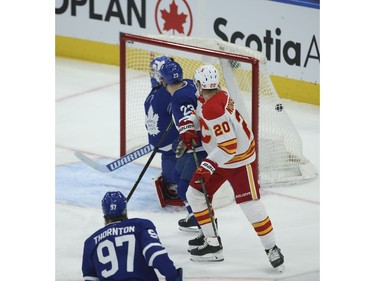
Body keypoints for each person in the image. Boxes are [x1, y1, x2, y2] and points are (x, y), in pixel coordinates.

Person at [179, 64, 285, 270]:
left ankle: (271, 248)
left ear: (201, 84)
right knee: (195, 194)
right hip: (220, 157)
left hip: (238, 160)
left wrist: (208, 165)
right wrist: (189, 123)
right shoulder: (216, 95)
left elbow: (229, 146)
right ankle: (212, 243)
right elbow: (200, 113)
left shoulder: (213, 108)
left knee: (249, 205)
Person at [81, 191, 183, 281]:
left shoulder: (91, 242)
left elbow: (90, 278)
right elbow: (156, 255)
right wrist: (173, 276)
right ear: (125, 210)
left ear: (104, 212)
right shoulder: (140, 225)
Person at [159, 60, 208, 233]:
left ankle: (203, 223)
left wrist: (185, 141)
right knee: (176, 174)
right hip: (197, 142)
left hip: (199, 146)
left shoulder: (179, 98)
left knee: (185, 186)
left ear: (163, 81)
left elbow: (192, 123)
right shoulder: (188, 84)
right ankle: (195, 216)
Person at [144, 55, 183, 207]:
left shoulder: (150, 96)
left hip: (156, 141)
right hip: (170, 141)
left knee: (167, 155)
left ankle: (170, 183)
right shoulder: (168, 94)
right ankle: (176, 185)